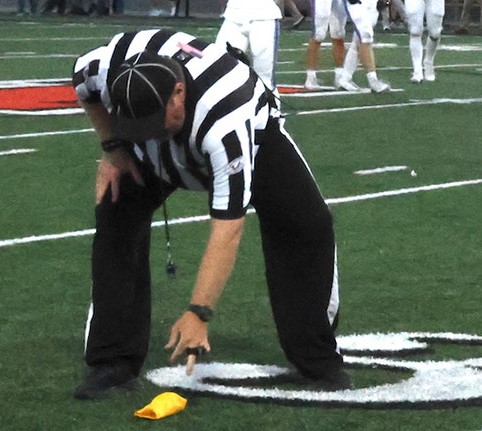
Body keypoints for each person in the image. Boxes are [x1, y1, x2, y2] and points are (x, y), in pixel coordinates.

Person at [69, 29, 349, 400]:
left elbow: (228, 228)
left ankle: (317, 356)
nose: (152, 135)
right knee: (115, 217)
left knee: (306, 225)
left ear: (178, 94)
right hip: (149, 159)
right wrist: (114, 147)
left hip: (256, 140)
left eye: (155, 123)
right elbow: (81, 82)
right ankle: (112, 360)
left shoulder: (226, 115)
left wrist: (199, 313)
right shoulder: (108, 65)